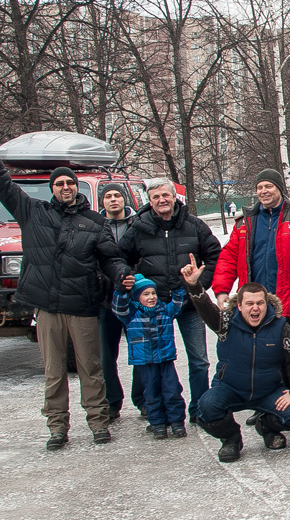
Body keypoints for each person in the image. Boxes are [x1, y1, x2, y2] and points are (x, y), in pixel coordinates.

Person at [0, 115, 130, 451]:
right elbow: (2, 185)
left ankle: (99, 422)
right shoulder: (33, 213)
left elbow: (110, 258)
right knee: (54, 372)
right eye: (59, 184)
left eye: (70, 183)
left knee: (91, 368)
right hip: (47, 307)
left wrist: (121, 274)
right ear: (53, 189)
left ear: (76, 187)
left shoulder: (94, 222)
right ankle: (57, 428)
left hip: (82, 307)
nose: (65, 187)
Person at [181, 256, 290, 462]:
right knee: (206, 407)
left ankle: (267, 426)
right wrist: (194, 285)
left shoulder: (279, 326)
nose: (255, 308)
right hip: (230, 388)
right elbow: (206, 308)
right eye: (250, 304)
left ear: (266, 304)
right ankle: (231, 438)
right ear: (239, 305)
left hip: (267, 391)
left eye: (260, 303)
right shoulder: (225, 322)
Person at [119, 178, 222, 425]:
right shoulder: (138, 228)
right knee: (148, 359)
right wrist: (133, 282)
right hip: (153, 309)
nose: (161, 200)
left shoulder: (194, 225)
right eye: (155, 197)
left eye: (165, 195)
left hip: (189, 304)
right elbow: (120, 258)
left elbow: (215, 255)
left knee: (199, 360)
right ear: (149, 201)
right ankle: (150, 405)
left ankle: (199, 408)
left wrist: (198, 284)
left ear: (175, 196)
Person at [210, 168, 290, 323]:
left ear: (280, 189)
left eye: (269, 186)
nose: (263, 191)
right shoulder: (245, 222)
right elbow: (228, 258)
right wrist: (222, 290)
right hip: (254, 305)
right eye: (259, 187)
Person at [111, 275, 187, 439]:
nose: (151, 297)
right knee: (152, 393)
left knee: (172, 391)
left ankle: (177, 422)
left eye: (153, 293)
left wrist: (177, 288)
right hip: (145, 361)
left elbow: (178, 304)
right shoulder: (132, 314)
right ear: (137, 297)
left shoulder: (165, 310)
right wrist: (121, 291)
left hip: (165, 359)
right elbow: (118, 308)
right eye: (146, 294)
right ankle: (158, 424)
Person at [98, 185, 139, 419]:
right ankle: (112, 401)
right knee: (106, 355)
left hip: (135, 297)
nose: (113, 200)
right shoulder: (95, 226)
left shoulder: (138, 224)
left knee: (140, 350)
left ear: (124, 199)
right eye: (108, 196)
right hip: (105, 298)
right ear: (102, 202)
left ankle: (142, 399)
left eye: (117, 195)